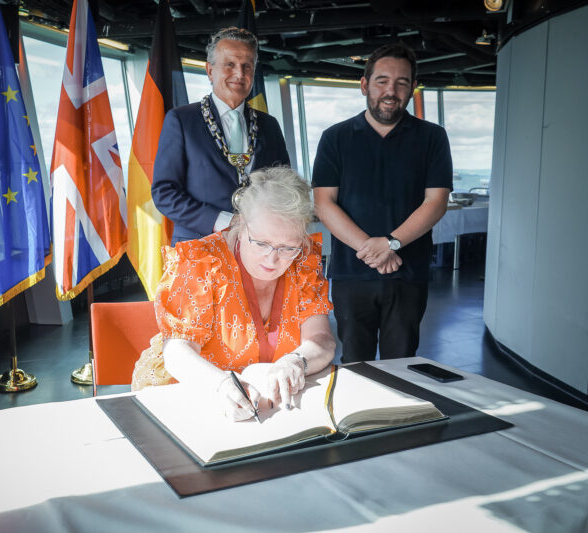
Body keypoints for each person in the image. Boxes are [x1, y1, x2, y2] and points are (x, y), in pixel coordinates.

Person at [132, 167, 336, 421]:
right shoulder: (202, 262)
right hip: (195, 388)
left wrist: (297, 361)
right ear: (240, 224)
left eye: (287, 247)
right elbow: (178, 351)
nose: (272, 259)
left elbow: (321, 339)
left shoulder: (303, 260)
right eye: (261, 242)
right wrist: (219, 384)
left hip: (267, 403)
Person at [312, 42, 453, 363]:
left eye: (402, 82)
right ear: (364, 85)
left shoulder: (432, 137)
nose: (392, 90)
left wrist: (392, 243)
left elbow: (436, 202)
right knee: (354, 362)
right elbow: (324, 203)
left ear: (412, 88)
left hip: (408, 272)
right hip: (351, 273)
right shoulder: (335, 138)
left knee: (402, 364)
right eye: (382, 81)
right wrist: (373, 249)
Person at [151, 27, 291, 245]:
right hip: (200, 249)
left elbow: (285, 188)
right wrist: (226, 221)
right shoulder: (181, 121)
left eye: (247, 66)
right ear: (209, 70)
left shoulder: (269, 125)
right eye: (230, 65)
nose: (240, 73)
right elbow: (164, 193)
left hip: (259, 250)